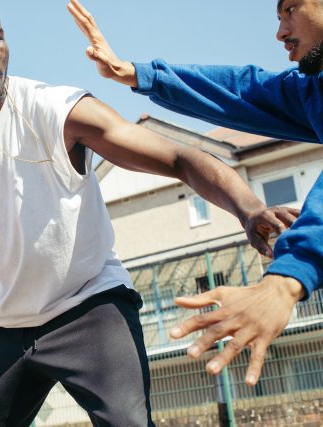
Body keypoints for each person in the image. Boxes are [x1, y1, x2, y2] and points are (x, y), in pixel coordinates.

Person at [0, 1, 297, 425]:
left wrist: (249, 208)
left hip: (89, 306)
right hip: (1, 325)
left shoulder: (57, 111)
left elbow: (178, 158)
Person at [68, 0, 323, 388]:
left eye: (290, 9)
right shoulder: (313, 90)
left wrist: (287, 277)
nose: (280, 32)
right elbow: (245, 89)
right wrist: (137, 74)